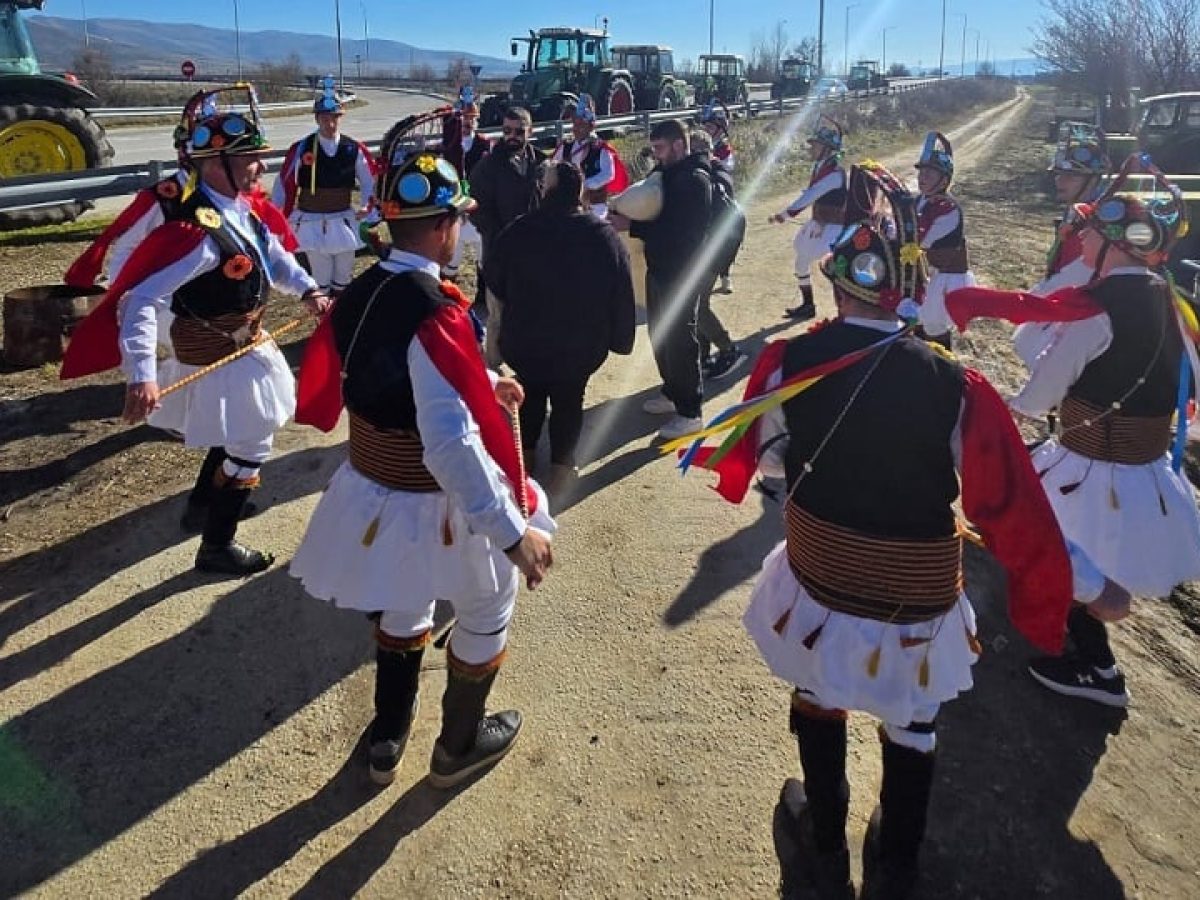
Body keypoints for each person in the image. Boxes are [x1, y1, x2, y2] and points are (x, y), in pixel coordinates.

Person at [669, 163, 1113, 899]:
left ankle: (821, 831)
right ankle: (896, 861)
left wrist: (797, 472)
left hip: (817, 577)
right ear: (908, 295)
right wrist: (1089, 585)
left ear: (840, 285)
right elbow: (1012, 508)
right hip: (917, 598)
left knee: (817, 691)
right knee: (914, 718)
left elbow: (768, 452)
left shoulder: (791, 360)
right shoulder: (955, 387)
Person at [290, 142, 555, 788]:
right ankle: (457, 747)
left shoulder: (362, 289)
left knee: (402, 603)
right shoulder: (435, 310)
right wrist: (512, 535)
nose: (462, 232)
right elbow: (447, 444)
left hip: (371, 489)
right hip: (430, 501)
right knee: (490, 604)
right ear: (442, 229)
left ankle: (386, 739)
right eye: (459, 220)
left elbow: (396, 372)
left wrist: (481, 380)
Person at [947, 168, 1200, 709]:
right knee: (1091, 565)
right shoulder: (1172, 301)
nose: (1079, 238)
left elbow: (1038, 399)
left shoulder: (1096, 311)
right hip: (1147, 470)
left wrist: (1010, 405)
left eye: (1088, 233)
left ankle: (1098, 669)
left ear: (1112, 244)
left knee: (1054, 550)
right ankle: (1089, 655)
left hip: (1093, 467)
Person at [60, 85, 330, 575]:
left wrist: (310, 291)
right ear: (215, 163)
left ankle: (207, 506)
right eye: (249, 158)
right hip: (220, 353)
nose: (259, 167)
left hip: (244, 349)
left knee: (237, 435)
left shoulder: (240, 211)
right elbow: (141, 298)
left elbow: (277, 261)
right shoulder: (197, 233)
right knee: (252, 443)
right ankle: (216, 545)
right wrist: (142, 373)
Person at [484, 160, 636, 494]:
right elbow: (622, 288)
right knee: (569, 400)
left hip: (527, 341)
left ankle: (524, 459)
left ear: (545, 190)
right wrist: (620, 337)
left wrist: (496, 338)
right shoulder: (601, 235)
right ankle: (562, 467)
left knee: (531, 395)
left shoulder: (519, 231)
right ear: (579, 191)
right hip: (580, 345)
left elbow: (494, 283)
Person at [610, 119, 711, 441]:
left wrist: (632, 226)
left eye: (661, 148)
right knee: (660, 334)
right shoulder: (670, 175)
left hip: (682, 272)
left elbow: (682, 234)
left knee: (681, 340)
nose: (656, 155)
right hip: (661, 268)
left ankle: (690, 411)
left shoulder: (694, 181)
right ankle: (672, 392)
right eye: (653, 149)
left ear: (679, 145)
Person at [1013, 124, 1111, 370]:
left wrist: (1023, 304)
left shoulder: (1097, 225)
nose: (1060, 180)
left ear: (1094, 179)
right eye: (1058, 174)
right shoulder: (1075, 214)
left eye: (1072, 176)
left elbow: (1072, 278)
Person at [273, 76, 377, 297]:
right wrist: (278, 216)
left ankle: (339, 323)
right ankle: (324, 323)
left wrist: (368, 209)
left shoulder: (353, 148)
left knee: (344, 276)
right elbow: (284, 183)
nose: (330, 124)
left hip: (343, 221)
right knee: (320, 278)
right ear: (317, 119)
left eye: (335, 118)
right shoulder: (302, 148)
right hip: (311, 222)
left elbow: (370, 181)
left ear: (341, 118)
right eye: (325, 118)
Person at [469, 106, 546, 367]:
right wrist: (502, 236)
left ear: (529, 131)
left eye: (518, 131)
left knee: (534, 311)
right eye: (506, 131)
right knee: (498, 315)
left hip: (536, 252)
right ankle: (493, 367)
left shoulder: (541, 163)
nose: (512, 136)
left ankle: (530, 362)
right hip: (500, 253)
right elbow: (478, 210)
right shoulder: (487, 166)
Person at [770, 117, 847, 321]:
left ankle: (846, 312)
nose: (811, 149)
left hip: (833, 228)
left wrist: (785, 214)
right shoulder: (821, 168)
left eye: (816, 145)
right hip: (820, 224)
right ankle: (808, 305)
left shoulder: (835, 174)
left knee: (835, 272)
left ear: (828, 149)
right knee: (801, 261)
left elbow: (810, 195)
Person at [689, 127, 747, 381]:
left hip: (716, 247)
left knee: (697, 305)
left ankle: (728, 349)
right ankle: (704, 354)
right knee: (699, 301)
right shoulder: (715, 171)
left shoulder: (710, 174)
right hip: (715, 245)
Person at [912, 132, 975, 347]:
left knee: (935, 328)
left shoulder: (948, 209)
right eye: (922, 172)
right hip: (929, 273)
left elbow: (920, 241)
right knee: (918, 321)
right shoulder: (921, 200)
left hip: (946, 278)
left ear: (944, 180)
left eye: (930, 174)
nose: (922, 178)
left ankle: (942, 370)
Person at [442, 86, 492, 283]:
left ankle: (483, 296)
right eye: (464, 118)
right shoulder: (448, 144)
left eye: (471, 119)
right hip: (455, 209)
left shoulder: (485, 144)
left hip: (478, 208)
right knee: (451, 258)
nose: (467, 123)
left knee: (484, 256)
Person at [551, 93, 626, 220]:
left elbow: (608, 174)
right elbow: (553, 165)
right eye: (575, 125)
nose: (576, 129)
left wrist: (585, 184)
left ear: (591, 126)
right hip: (569, 204)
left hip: (594, 205)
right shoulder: (566, 146)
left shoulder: (600, 149)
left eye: (581, 125)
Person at [699, 101, 736, 293]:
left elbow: (727, 169)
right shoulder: (699, 145)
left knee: (727, 234)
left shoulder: (724, 150)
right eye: (704, 125)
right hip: (704, 195)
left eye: (710, 126)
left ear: (720, 129)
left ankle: (726, 274)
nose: (706, 129)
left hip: (722, 195)